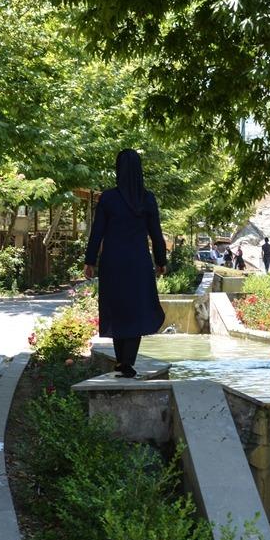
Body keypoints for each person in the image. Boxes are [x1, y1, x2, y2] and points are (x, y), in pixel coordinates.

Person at [84, 149, 167, 379]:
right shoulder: (147, 199)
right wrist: (161, 261)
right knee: (136, 309)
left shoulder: (108, 198)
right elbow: (156, 235)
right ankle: (127, 360)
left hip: (113, 262)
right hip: (139, 261)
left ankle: (122, 360)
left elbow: (97, 232)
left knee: (117, 307)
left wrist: (90, 261)